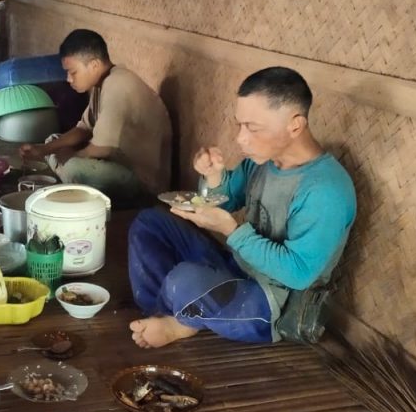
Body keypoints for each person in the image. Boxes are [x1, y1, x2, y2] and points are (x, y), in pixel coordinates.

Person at [127, 67, 356, 348]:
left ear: (295, 125)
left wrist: (231, 231)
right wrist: (213, 176)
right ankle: (162, 313)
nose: (240, 139)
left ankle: (179, 320)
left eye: (253, 128)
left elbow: (299, 273)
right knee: (151, 223)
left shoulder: (324, 190)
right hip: (235, 265)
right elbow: (227, 198)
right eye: (240, 125)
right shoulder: (265, 161)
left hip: (269, 302)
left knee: (184, 280)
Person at [20, 29, 172, 206]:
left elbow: (102, 149)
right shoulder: (103, 83)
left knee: (74, 168)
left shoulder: (117, 85)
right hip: (116, 164)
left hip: (143, 182)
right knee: (53, 140)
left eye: (73, 72)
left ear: (94, 65)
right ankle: (63, 167)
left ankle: (66, 172)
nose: (69, 79)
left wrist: (73, 156)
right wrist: (43, 149)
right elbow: (84, 129)